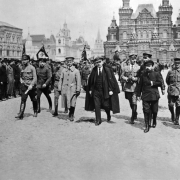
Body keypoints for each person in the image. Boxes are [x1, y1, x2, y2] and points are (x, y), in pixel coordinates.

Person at [85, 57, 120, 126]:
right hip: (96, 91)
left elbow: (111, 81)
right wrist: (90, 89)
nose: (98, 63)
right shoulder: (94, 70)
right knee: (96, 105)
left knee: (106, 105)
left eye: (100, 62)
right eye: (97, 62)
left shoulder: (107, 70)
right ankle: (98, 120)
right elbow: (91, 81)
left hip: (105, 91)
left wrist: (111, 89)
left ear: (103, 62)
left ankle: (108, 114)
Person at [136, 59, 163, 133]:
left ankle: (154, 120)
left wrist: (152, 83)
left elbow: (160, 83)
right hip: (145, 95)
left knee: (154, 110)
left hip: (154, 95)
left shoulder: (156, 74)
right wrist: (138, 95)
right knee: (146, 110)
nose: (148, 67)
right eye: (146, 66)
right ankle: (147, 125)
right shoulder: (142, 75)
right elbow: (139, 86)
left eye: (149, 66)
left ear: (152, 66)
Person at [58, 57, 81, 121]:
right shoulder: (63, 71)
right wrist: (59, 88)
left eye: (70, 62)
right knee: (67, 102)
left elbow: (78, 81)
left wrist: (78, 90)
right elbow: (61, 80)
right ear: (66, 62)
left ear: (73, 62)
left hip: (72, 89)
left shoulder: (76, 71)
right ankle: (69, 112)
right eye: (68, 62)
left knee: (72, 102)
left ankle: (71, 114)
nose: (69, 63)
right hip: (65, 89)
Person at [15, 55, 37, 119]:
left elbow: (35, 78)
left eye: (25, 60)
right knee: (23, 99)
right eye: (22, 60)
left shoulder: (32, 68)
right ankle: (21, 113)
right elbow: (21, 76)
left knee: (34, 99)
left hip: (31, 87)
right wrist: (21, 81)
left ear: (28, 60)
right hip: (24, 86)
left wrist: (31, 85)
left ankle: (35, 111)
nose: (23, 61)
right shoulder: (22, 68)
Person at [121, 53, 140, 124]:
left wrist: (135, 78)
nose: (134, 60)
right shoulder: (125, 68)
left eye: (135, 59)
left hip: (135, 87)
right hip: (128, 88)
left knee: (134, 102)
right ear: (130, 59)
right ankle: (135, 112)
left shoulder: (138, 68)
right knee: (130, 102)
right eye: (132, 59)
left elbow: (140, 77)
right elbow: (121, 76)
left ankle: (132, 118)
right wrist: (126, 79)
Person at [166, 58, 180, 125]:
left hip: (179, 92)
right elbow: (167, 81)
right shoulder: (170, 72)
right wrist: (171, 87)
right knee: (171, 105)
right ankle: (172, 114)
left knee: (178, 105)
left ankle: (177, 119)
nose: (177, 64)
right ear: (174, 63)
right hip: (171, 91)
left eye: (179, 63)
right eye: (176, 63)